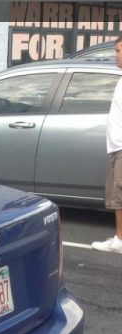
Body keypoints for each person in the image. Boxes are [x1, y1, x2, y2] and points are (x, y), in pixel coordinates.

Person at [92, 36, 122, 253]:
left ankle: (120, 241)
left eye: (119, 51)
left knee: (118, 195)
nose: (116, 55)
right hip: (116, 146)